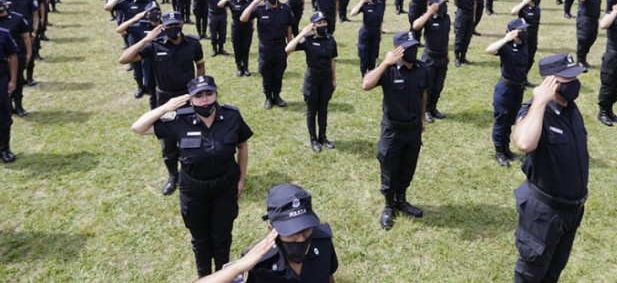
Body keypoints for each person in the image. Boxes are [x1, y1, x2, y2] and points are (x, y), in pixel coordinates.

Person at [131, 76, 252, 277]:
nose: (205, 100)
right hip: (194, 190)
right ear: (190, 99)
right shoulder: (179, 119)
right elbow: (138, 127)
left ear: (216, 94)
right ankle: (204, 277)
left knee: (222, 237)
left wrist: (241, 179)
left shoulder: (231, 116)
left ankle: (224, 276)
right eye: (198, 96)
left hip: (225, 186)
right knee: (200, 238)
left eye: (209, 94)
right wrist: (165, 107)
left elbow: (242, 145)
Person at [511, 53, 588, 283]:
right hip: (544, 214)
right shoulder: (535, 112)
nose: (574, 83)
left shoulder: (571, 109)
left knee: (553, 272)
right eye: (568, 79)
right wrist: (540, 101)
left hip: (572, 211)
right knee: (531, 274)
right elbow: (524, 142)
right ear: (549, 82)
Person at [120, 10, 205, 195]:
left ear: (182, 24)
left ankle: (189, 173)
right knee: (167, 140)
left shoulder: (193, 43)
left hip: (188, 96)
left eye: (176, 24)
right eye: (169, 26)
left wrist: (199, 89)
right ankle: (173, 175)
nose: (173, 29)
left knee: (191, 135)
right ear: (162, 27)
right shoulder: (154, 45)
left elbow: (199, 65)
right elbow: (124, 59)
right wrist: (146, 40)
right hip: (165, 99)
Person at [194, 184, 338, 283]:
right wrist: (239, 266)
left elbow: (328, 276)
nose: (301, 239)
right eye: (292, 232)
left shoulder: (322, 240)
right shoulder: (259, 264)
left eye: (305, 229)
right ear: (271, 229)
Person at [361, 31, 428, 230]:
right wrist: (385, 63)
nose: (413, 51)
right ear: (397, 51)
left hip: (413, 128)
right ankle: (389, 205)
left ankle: (402, 199)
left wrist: (423, 118)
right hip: (393, 130)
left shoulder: (422, 69)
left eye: (415, 46)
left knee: (408, 166)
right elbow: (365, 85)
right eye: (408, 48)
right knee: (389, 168)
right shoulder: (388, 71)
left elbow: (423, 94)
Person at [286, 12, 338, 152]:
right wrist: (302, 33)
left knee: (323, 109)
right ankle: (313, 139)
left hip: (326, 79)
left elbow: (332, 60)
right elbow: (288, 49)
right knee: (311, 111)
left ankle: (323, 137)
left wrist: (334, 79)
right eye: (319, 23)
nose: (323, 25)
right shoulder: (307, 40)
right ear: (313, 26)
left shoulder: (331, 40)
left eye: (324, 22)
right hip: (312, 80)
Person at [240, 0, 294, 109]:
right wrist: (255, 2)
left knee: (279, 73)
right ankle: (268, 97)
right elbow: (243, 18)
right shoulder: (260, 9)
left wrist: (290, 43)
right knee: (266, 73)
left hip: (281, 46)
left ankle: (277, 96)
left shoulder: (285, 9)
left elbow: (289, 26)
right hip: (266, 47)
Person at [486, 18, 530, 167]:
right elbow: (489, 50)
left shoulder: (524, 45)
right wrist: (506, 39)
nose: (525, 32)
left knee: (510, 121)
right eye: (522, 30)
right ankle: (499, 151)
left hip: (518, 89)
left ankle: (506, 149)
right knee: (501, 120)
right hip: (506, 89)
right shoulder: (506, 46)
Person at [411, 0, 451, 123]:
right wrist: (429, 13)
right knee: (428, 86)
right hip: (430, 58)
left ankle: (433, 107)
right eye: (440, 4)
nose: (443, 6)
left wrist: (447, 54)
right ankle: (426, 110)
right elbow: (415, 26)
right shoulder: (427, 19)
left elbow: (446, 38)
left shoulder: (447, 19)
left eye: (444, 3)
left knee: (438, 86)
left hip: (442, 57)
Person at [218, 0, 254, 77]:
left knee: (246, 48)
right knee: (237, 48)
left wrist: (253, 26)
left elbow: (253, 14)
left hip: (247, 26)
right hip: (236, 27)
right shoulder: (232, 1)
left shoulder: (250, 0)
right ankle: (239, 68)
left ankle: (246, 68)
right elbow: (220, 4)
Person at [350, 0, 385, 77]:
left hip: (376, 32)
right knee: (364, 55)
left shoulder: (380, 4)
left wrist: (380, 33)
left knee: (373, 54)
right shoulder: (365, 5)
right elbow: (352, 13)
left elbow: (380, 20)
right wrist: (362, 1)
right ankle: (363, 74)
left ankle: (371, 74)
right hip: (366, 32)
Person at [450, 0, 477, 67]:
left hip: (470, 14)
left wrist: (473, 17)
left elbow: (474, 3)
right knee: (459, 37)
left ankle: (463, 56)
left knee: (467, 37)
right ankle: (457, 57)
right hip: (461, 13)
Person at [0, 26, 18, 162]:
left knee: (4, 116)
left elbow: (13, 55)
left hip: (1, 80)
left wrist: (13, 80)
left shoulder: (4, 34)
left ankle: (4, 148)